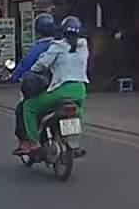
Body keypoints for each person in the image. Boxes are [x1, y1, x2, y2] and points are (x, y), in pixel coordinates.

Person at [19, 15, 89, 156]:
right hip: (80, 90)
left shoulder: (58, 46)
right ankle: (75, 142)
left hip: (60, 90)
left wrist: (33, 71)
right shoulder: (83, 46)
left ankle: (33, 142)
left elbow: (42, 64)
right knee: (79, 112)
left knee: (29, 107)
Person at [9, 14, 59, 145]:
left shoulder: (38, 48)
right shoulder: (62, 46)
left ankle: (28, 141)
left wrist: (14, 77)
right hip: (62, 88)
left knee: (23, 108)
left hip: (43, 90)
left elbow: (24, 66)